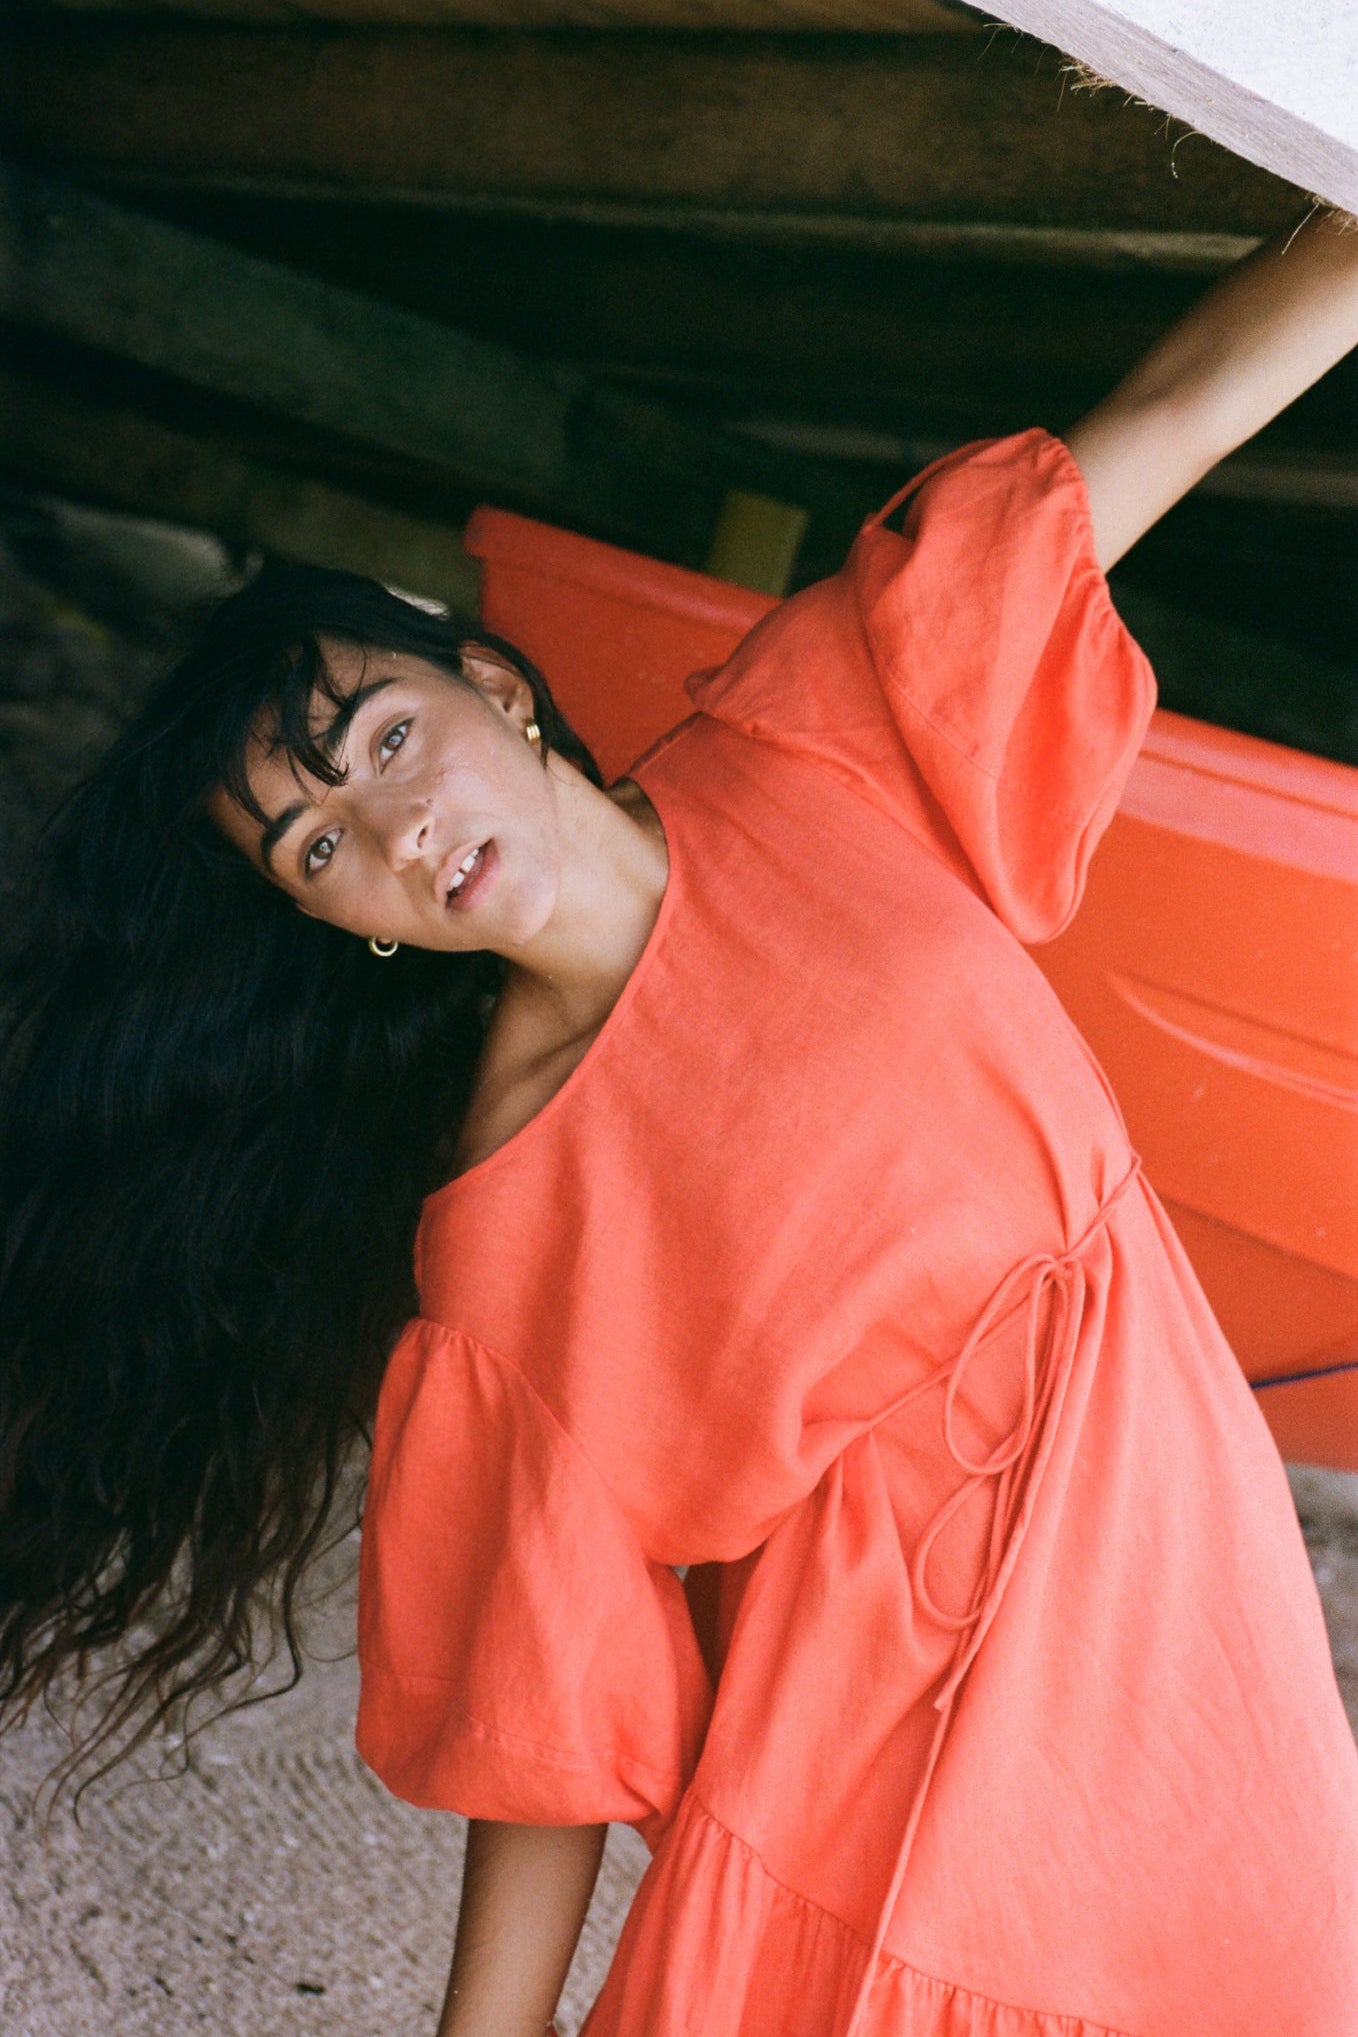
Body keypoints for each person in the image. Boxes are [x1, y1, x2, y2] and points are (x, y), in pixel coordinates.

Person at [2, 207, 1358, 2037]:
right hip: (878, 1768)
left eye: (381, 740)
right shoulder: (498, 1221)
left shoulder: (822, 726)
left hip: (1171, 1578)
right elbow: (541, 1707)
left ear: (488, 682)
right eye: (319, 848)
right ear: (354, 924)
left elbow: (1170, 416)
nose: (389, 829)